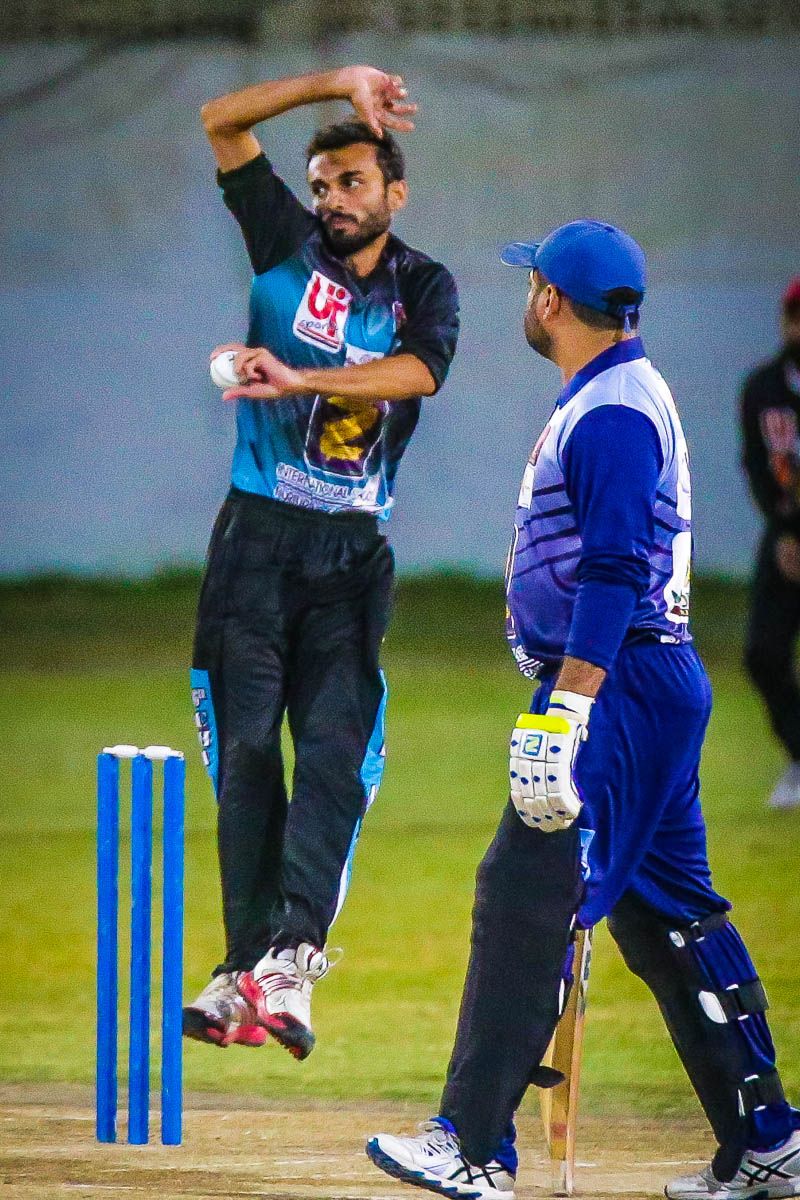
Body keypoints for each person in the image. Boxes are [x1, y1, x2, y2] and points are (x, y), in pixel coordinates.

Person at [366, 222, 800, 1200]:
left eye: (533, 283)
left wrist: (566, 710)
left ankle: (472, 1144)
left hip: (617, 683)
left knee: (524, 888)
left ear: (552, 301)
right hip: (645, 683)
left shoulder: (610, 412)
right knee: (668, 918)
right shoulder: (618, 391)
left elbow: (612, 571)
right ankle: (766, 1138)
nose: (527, 298)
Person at [183, 65, 459, 1060]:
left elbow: (420, 373)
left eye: (353, 181)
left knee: (334, 752)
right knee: (248, 754)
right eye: (322, 184)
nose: (334, 198)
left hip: (349, 552)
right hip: (254, 543)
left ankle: (292, 958)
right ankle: (241, 967)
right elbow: (219, 120)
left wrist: (300, 375)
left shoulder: (423, 284)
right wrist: (333, 84)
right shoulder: (282, 245)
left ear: (395, 192)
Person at [742, 278, 800, 809]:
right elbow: (757, 465)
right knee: (763, 652)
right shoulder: (764, 388)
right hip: (785, 535)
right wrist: (784, 530)